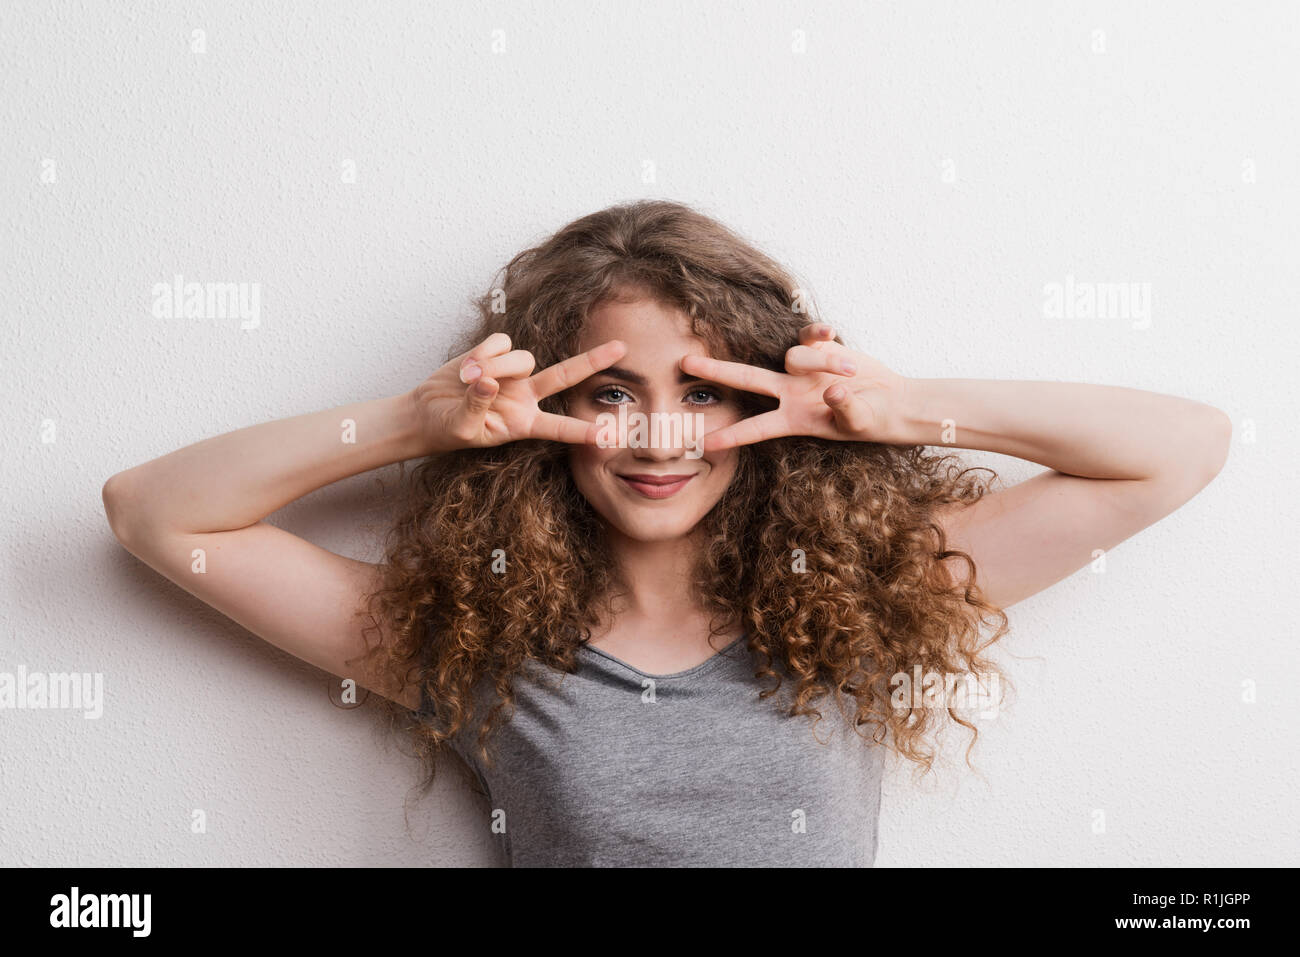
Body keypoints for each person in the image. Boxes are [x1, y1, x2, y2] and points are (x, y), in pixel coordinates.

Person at [102, 200, 1231, 866]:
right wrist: (415, 422)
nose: (657, 435)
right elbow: (154, 512)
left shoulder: (864, 602)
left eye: (701, 390)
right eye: (609, 393)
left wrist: (898, 409)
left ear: (759, 403)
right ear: (552, 411)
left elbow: (1176, 448)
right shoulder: (473, 643)